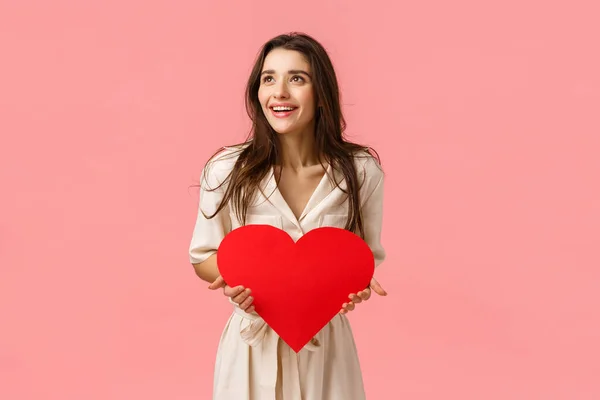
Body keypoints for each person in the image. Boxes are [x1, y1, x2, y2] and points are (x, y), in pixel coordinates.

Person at [189, 32, 387, 400]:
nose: (279, 92)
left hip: (327, 348)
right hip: (251, 349)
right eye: (269, 78)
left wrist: (355, 288)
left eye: (297, 78)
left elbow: (363, 258)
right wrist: (238, 283)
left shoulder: (361, 172)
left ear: (322, 92)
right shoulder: (225, 169)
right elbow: (204, 256)